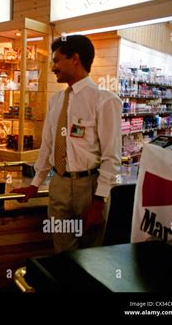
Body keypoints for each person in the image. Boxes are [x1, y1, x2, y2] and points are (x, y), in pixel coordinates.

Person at [12, 35, 122, 252]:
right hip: (58, 185)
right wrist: (36, 184)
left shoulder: (105, 101)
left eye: (56, 60)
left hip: (88, 188)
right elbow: (48, 146)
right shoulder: (56, 101)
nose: (53, 67)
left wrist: (99, 201)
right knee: (62, 252)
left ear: (75, 59)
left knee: (90, 256)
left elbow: (112, 156)